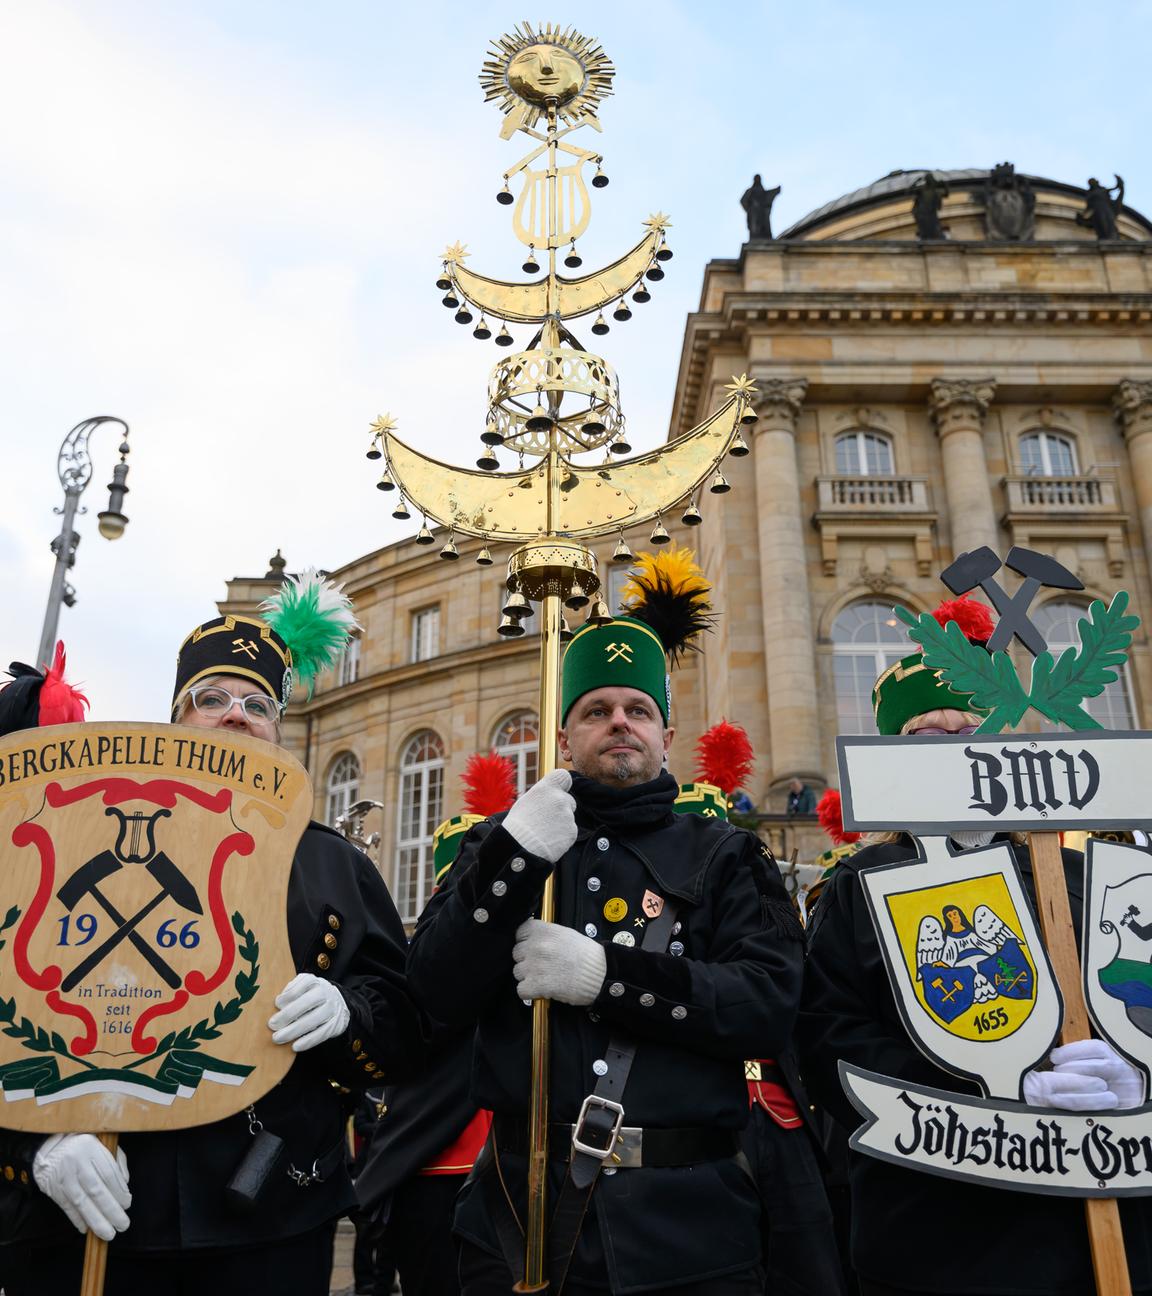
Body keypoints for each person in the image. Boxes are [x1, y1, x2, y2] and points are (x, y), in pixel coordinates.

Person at [0, 573, 424, 1296]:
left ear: (278, 726)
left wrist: (348, 1014)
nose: (236, 716)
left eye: (257, 704)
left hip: (269, 1220)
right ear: (176, 720)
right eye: (212, 699)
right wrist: (33, 1145)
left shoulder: (332, 861)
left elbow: (402, 1028)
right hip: (89, 1208)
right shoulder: (69, 832)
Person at [407, 549, 806, 1295]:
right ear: (564, 739)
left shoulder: (725, 854)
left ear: (666, 734)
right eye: (596, 710)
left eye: (637, 710)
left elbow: (767, 1005)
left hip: (690, 1231)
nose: (618, 723)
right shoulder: (508, 843)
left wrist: (605, 977)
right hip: (520, 1219)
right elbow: (431, 991)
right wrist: (513, 858)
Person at [798, 597, 1152, 1296]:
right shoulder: (859, 885)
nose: (954, 750)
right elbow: (827, 1039)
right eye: (927, 737)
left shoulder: (1081, 873)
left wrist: (1136, 1070)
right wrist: (994, 1091)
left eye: (967, 731)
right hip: (940, 1224)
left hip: (1094, 1218)